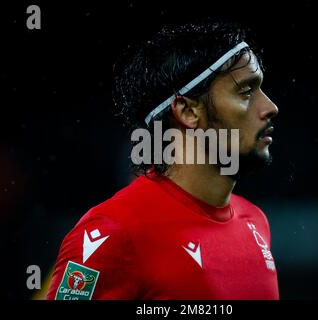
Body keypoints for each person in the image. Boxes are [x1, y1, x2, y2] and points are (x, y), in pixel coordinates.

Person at [46, 21, 279, 300]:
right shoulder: (112, 233)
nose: (270, 107)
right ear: (188, 111)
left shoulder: (256, 223)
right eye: (246, 92)